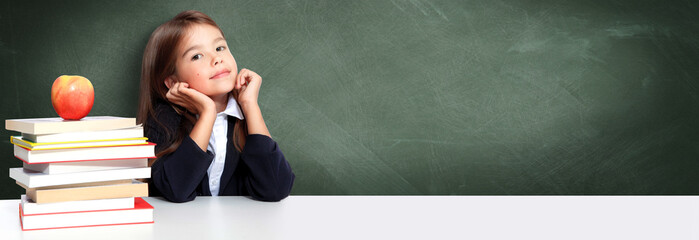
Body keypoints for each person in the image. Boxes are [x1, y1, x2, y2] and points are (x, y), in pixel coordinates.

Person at [136, 10, 295, 203]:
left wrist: (250, 105)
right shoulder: (163, 119)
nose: (217, 59)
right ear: (172, 82)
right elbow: (175, 190)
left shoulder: (242, 117)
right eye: (197, 56)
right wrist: (207, 114)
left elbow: (276, 189)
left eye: (220, 48)